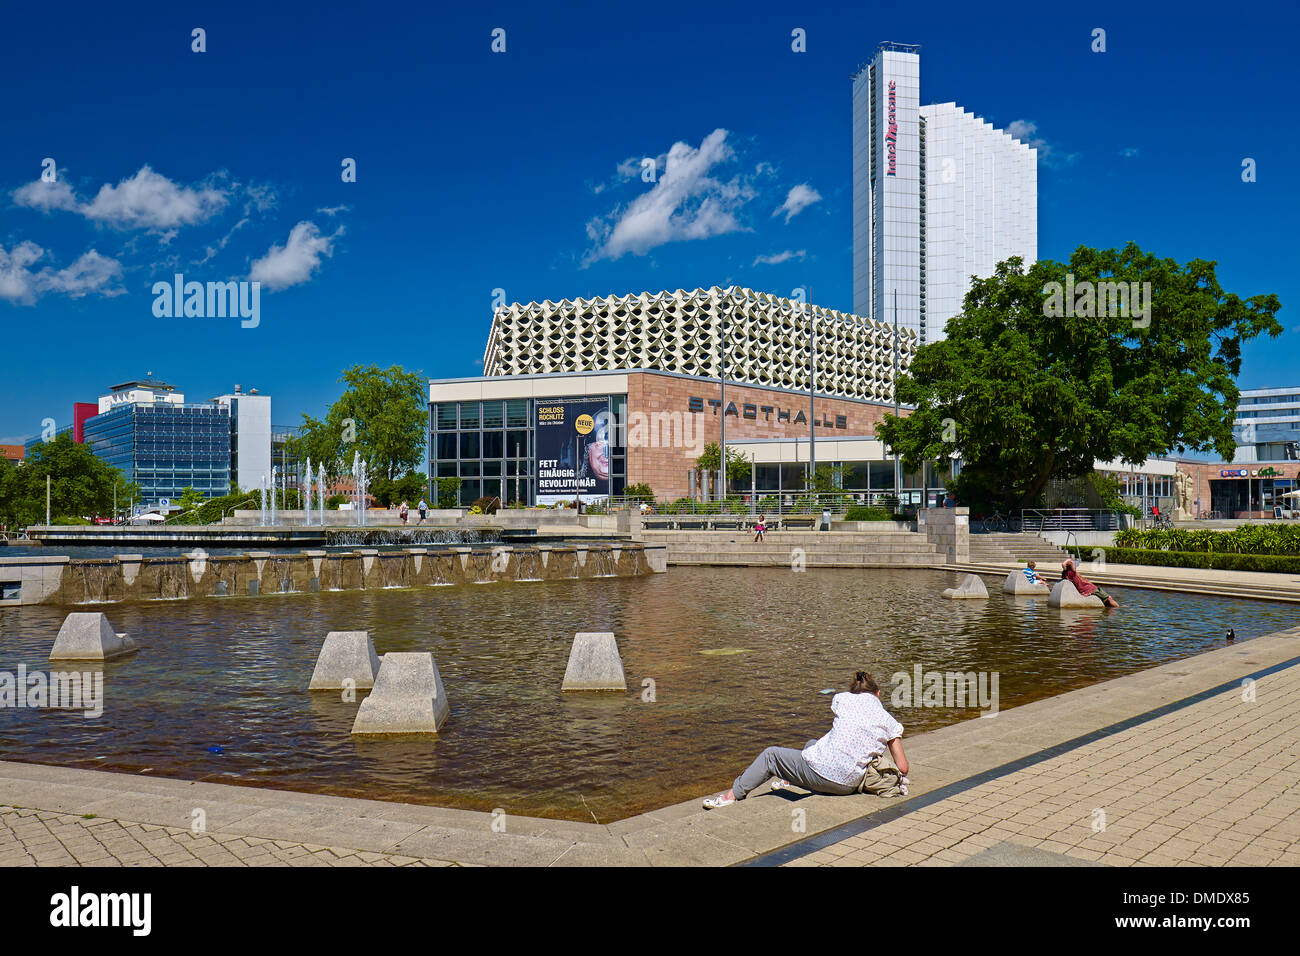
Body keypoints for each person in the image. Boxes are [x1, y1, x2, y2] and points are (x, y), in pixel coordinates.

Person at [703, 671, 908, 808]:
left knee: (771, 755)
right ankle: (787, 780)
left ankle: (731, 796)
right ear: (878, 694)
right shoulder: (889, 721)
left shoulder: (843, 699)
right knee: (812, 744)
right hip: (848, 784)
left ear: (853, 691)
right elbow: (903, 767)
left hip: (824, 777)